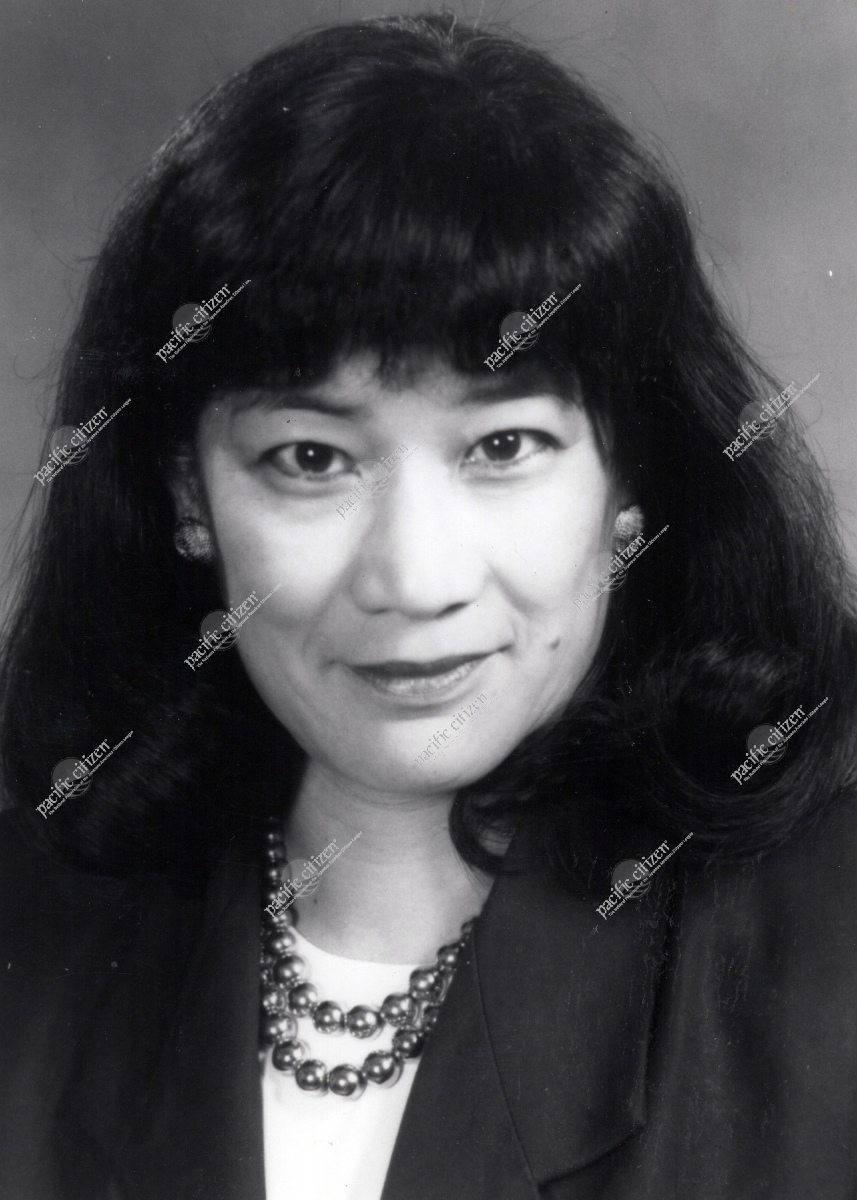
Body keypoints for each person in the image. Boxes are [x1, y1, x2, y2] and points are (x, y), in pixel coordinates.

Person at [1, 12, 856, 1200]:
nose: (413, 579)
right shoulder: (33, 935)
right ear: (188, 496)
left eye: (502, 446)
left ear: (630, 481)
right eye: (310, 459)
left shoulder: (827, 940)